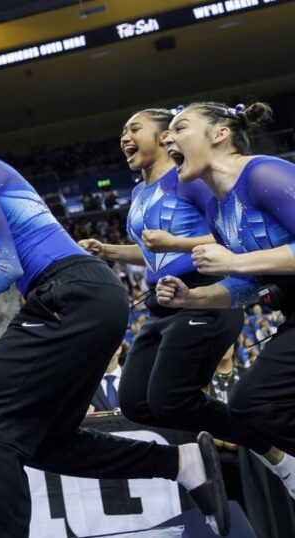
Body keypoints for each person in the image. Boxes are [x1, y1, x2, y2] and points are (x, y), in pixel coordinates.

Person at [0, 65, 230, 536]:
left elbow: (2, 266)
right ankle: (181, 462)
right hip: (81, 296)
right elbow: (3, 265)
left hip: (71, 294)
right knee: (44, 442)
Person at [79, 107, 282, 462]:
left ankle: (267, 452)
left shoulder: (206, 180)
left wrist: (179, 245)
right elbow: (155, 253)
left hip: (204, 286)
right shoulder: (145, 196)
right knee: (137, 403)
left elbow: (226, 241)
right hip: (170, 301)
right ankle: (229, 445)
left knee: (173, 398)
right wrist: (107, 249)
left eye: (134, 128)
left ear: (163, 137)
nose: (124, 137)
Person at [156, 101, 295, 492]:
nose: (168, 136)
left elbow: (243, 266)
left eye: (180, 127)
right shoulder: (218, 210)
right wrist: (193, 299)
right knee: (250, 405)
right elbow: (245, 288)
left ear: (220, 134)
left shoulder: (264, 172)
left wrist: (237, 260)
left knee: (254, 403)